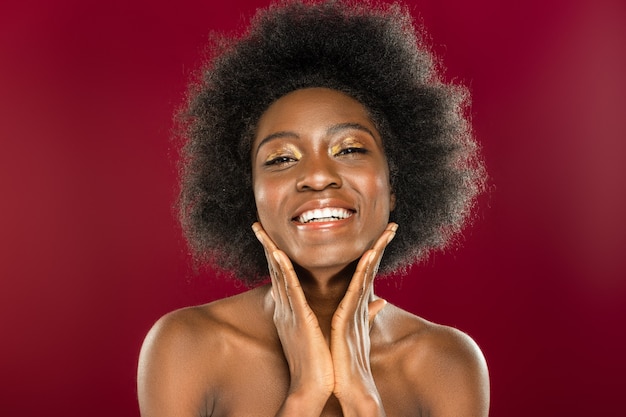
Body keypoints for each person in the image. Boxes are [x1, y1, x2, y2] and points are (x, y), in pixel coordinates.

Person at [137, 0, 489, 416]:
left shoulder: (445, 363)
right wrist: (306, 392)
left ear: (397, 185)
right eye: (282, 158)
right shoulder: (188, 346)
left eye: (351, 149)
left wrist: (363, 401)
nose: (318, 176)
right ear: (247, 193)